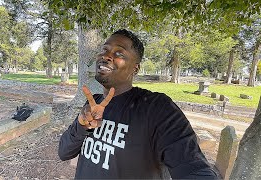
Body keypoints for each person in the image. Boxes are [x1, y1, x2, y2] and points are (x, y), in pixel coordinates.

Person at [58, 29, 218, 179]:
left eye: (119, 53)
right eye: (104, 49)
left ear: (135, 69)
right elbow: (64, 152)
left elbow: (193, 168)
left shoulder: (157, 109)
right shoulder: (93, 103)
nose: (106, 56)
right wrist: (81, 125)